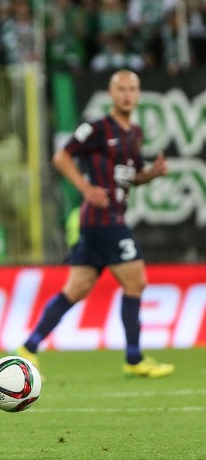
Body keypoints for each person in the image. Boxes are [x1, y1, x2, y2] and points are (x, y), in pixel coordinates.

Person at [16, 69, 173, 378]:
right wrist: (86, 188)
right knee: (136, 281)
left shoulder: (134, 133)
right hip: (103, 220)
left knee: (76, 289)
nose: (127, 94)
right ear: (111, 94)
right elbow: (62, 157)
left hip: (104, 221)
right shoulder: (98, 128)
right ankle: (134, 358)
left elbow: (131, 176)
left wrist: (151, 173)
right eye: (122, 89)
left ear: (138, 94)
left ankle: (28, 347)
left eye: (133, 89)